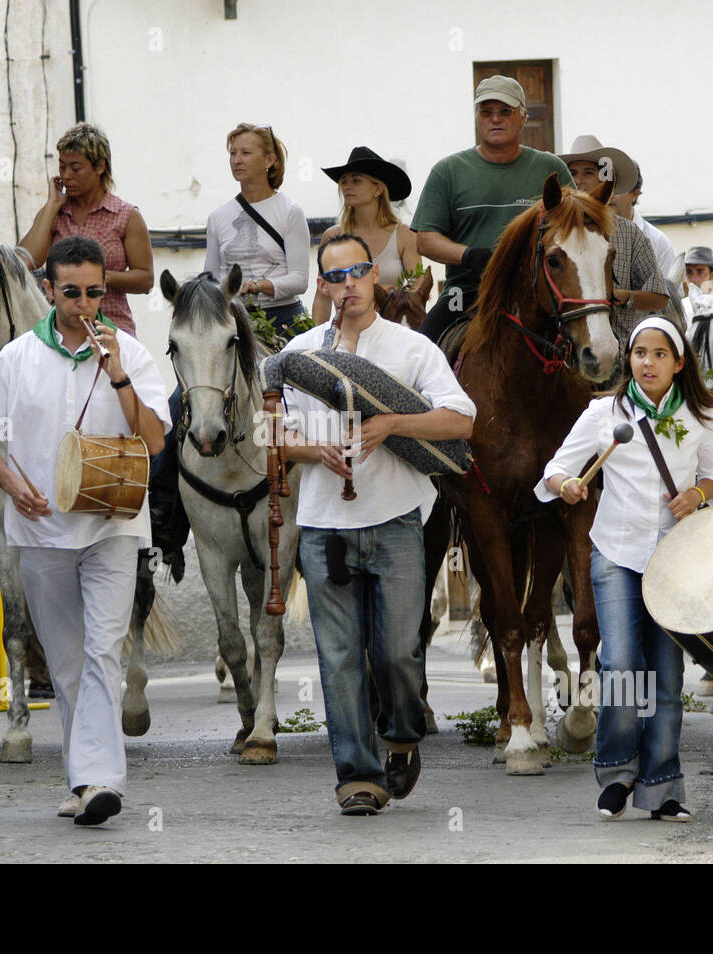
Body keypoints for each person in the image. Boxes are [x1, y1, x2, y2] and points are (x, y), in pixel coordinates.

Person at [0, 237, 168, 826]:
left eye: (95, 291)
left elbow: (154, 441)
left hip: (113, 524)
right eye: (72, 291)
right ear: (49, 291)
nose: (85, 303)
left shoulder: (128, 351)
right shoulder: (18, 357)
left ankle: (102, 780)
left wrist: (120, 378)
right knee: (67, 661)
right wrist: (14, 485)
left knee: (105, 651)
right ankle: (83, 779)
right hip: (41, 530)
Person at [281, 234, 475, 815]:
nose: (348, 284)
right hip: (323, 526)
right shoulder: (299, 354)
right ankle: (358, 778)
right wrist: (317, 452)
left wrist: (392, 423)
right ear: (322, 285)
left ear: (375, 278)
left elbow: (462, 421)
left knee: (395, 652)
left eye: (358, 272)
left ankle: (401, 736)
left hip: (395, 520)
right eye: (335, 276)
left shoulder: (412, 349)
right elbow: (273, 435)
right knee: (339, 658)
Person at [537, 316, 713, 822]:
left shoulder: (702, 416)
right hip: (616, 554)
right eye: (640, 353)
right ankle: (616, 772)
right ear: (629, 360)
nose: (649, 362)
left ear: (679, 362)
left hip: (675, 560)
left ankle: (661, 786)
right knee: (620, 665)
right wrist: (568, 487)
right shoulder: (604, 413)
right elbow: (554, 470)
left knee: (666, 676)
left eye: (660, 354)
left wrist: (696, 495)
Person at [412, 75, 573, 345]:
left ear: (523, 116)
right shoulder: (448, 171)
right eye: (486, 112)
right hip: (465, 294)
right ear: (477, 118)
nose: (495, 119)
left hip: (539, 294)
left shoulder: (550, 169)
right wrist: (468, 255)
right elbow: (425, 239)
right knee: (419, 356)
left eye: (505, 112)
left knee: (587, 356)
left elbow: (575, 229)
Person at [18, 123, 154, 337]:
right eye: (62, 167)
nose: (66, 175)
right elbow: (24, 262)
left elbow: (145, 280)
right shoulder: (54, 214)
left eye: (75, 167)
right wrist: (52, 205)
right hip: (58, 333)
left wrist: (98, 278)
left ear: (100, 166)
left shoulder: (126, 216)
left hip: (112, 330)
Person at [560, 136, 672, 343]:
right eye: (572, 173)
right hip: (566, 356)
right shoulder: (556, 233)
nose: (579, 180)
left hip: (621, 354)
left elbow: (660, 297)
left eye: (588, 173)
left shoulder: (629, 234)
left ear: (604, 180)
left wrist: (626, 296)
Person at [204, 122, 311, 335]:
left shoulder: (290, 211)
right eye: (233, 153)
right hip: (230, 321)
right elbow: (209, 277)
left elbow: (300, 279)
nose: (237, 160)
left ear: (269, 160)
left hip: (283, 320)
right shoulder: (217, 216)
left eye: (246, 153)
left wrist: (257, 286)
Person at [311, 146, 421, 325]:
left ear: (377, 189)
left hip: (394, 330)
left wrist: (391, 294)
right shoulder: (332, 236)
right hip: (347, 330)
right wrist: (315, 339)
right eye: (344, 181)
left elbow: (417, 289)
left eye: (356, 180)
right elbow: (322, 297)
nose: (347, 186)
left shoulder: (404, 235)